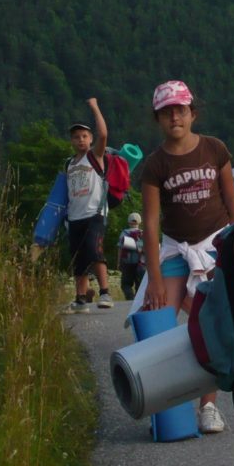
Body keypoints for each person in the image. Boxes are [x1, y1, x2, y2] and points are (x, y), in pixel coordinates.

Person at [140, 80, 234, 434]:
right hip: (174, 246)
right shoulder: (155, 165)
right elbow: (151, 223)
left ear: (192, 113)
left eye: (180, 110)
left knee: (210, 323)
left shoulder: (215, 149)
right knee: (160, 321)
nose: (174, 118)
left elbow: (233, 203)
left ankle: (209, 407)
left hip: (214, 243)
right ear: (157, 119)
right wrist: (154, 278)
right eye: (166, 112)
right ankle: (168, 407)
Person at [65, 99, 114, 313]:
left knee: (96, 251)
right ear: (71, 140)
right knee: (78, 259)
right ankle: (81, 298)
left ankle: (105, 293)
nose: (81, 140)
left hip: (94, 213)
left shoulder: (95, 156)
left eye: (84, 136)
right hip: (74, 216)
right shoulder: (69, 163)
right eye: (76, 137)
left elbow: (103, 134)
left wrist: (94, 107)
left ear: (90, 139)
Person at [117, 212, 145, 301]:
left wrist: (118, 262)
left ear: (129, 222)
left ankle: (130, 298)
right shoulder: (143, 233)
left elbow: (120, 248)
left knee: (126, 284)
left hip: (127, 262)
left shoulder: (124, 233)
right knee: (139, 284)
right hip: (141, 263)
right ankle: (137, 300)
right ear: (139, 222)